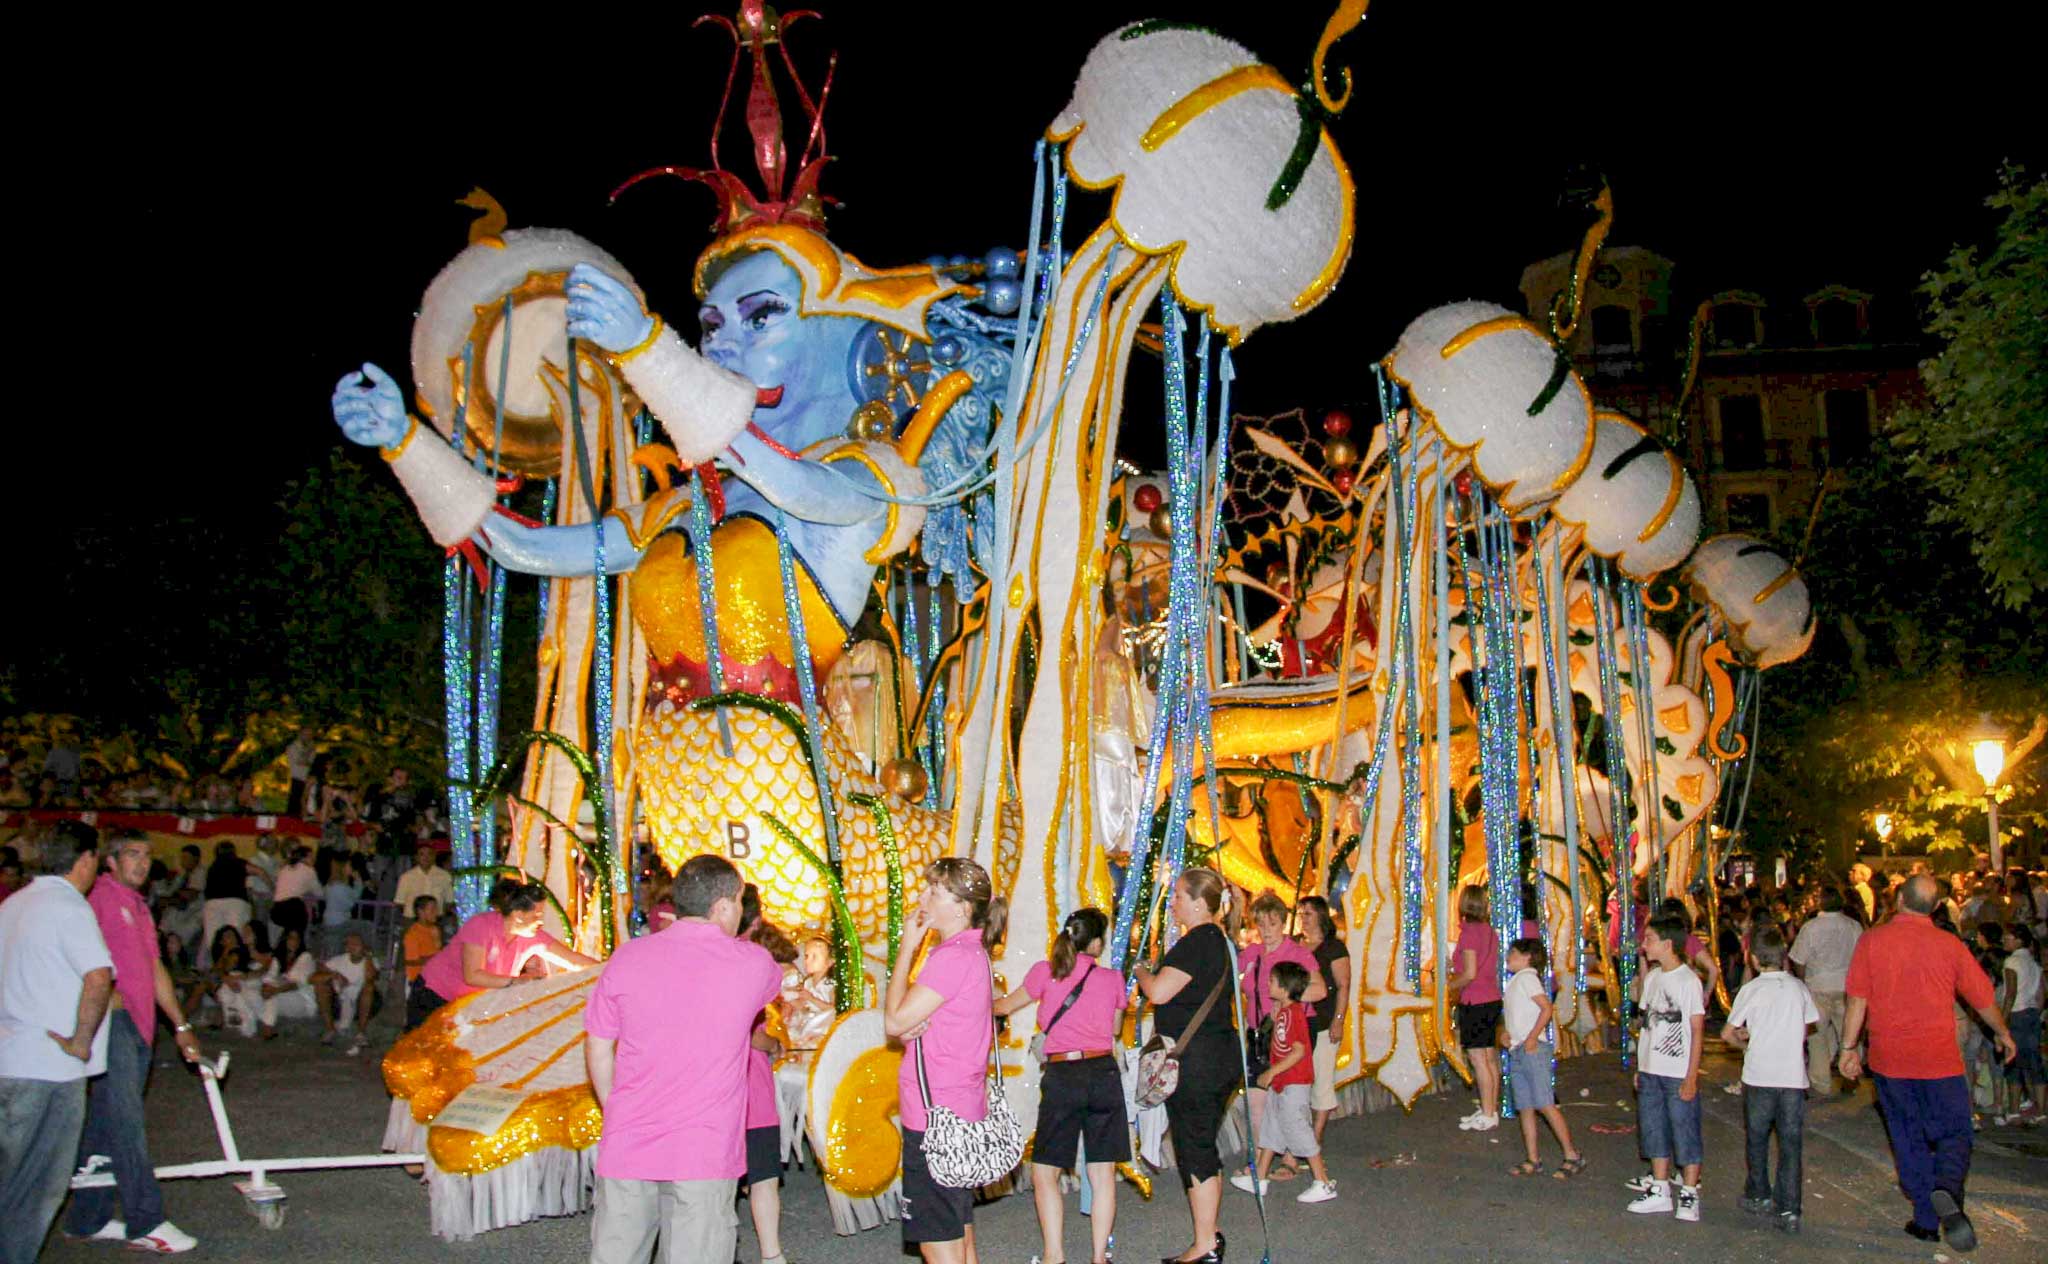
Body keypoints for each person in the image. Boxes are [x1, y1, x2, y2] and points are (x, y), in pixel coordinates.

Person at [585, 855, 782, 1264]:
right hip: (704, 1147)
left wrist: (616, 1108)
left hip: (628, 1141)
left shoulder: (626, 958)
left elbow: (599, 1048)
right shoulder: (753, 964)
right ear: (724, 906)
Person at [1840, 873, 2017, 1252]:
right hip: (1940, 1060)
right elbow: (1981, 995)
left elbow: (1857, 999)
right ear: (1937, 908)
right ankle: (1946, 1188)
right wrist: (2002, 1033)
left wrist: (1848, 1047)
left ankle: (1925, 1218)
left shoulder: (1872, 941)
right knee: (1956, 1133)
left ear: (1898, 899)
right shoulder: (1949, 944)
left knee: (1907, 1136)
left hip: (1890, 1060)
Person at [62, 832, 206, 1253]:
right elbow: (80, 956)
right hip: (116, 1022)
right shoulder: (102, 897)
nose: (142, 863)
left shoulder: (139, 906)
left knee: (105, 1122)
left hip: (141, 1026)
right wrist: (108, 1000)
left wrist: (181, 1028)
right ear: (111, 861)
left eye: (147, 856)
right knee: (126, 1122)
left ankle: (87, 1217)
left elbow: (155, 966)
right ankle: (147, 1220)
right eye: (132, 854)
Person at [0, 821, 115, 1264]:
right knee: (35, 1190)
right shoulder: (69, 906)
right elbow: (98, 976)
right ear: (85, 858)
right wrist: (81, 1042)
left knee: (9, 1181)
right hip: (49, 1070)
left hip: (10, 1058)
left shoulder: (14, 904)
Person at [884, 857, 1007, 1264]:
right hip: (961, 1108)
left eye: (934, 892)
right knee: (959, 1232)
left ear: (961, 906)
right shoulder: (974, 953)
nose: (923, 898)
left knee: (939, 1242)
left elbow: (894, 1019)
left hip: (934, 1113)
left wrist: (906, 947)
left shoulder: (950, 958)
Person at [995, 907, 1129, 1264]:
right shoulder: (1113, 979)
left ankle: (1054, 1256)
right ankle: (1099, 1257)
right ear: (1097, 943)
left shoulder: (1045, 972)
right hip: (1103, 1073)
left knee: (1045, 1173)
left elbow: (1005, 1006)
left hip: (1063, 1075)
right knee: (1102, 1173)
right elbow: (1115, 1030)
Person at [1133, 867, 1238, 1264]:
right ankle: (1208, 1233)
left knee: (1195, 1149)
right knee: (1201, 1146)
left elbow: (1159, 992)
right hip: (1213, 1056)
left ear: (1198, 903)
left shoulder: (1197, 943)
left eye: (1177, 895)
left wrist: (1142, 970)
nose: (1172, 902)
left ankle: (1205, 1244)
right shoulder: (1219, 942)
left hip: (1196, 1062)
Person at [1724, 926, 1819, 1235]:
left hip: (1759, 1075)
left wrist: (1747, 1042)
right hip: (1792, 1078)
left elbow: (1728, 1033)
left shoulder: (1750, 990)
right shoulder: (1798, 988)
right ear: (1784, 956)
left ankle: (1759, 1193)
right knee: (1791, 1144)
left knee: (1757, 1138)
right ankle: (1790, 1208)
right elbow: (1807, 1026)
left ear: (1752, 959)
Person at [1232, 960, 1338, 1205]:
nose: (1267, 984)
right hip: (1282, 1082)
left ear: (1284, 987)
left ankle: (1322, 1180)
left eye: (1272, 981)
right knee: (1271, 1126)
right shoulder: (1283, 1013)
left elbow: (1298, 1051)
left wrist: (1272, 1072)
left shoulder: (1295, 1014)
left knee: (1297, 1127)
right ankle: (1260, 1175)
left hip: (1294, 1082)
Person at [1235, 893, 1326, 1176]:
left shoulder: (1299, 954)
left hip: (1290, 1032)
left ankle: (1290, 1158)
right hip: (1259, 1034)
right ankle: (1261, 1161)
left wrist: (1287, 1000)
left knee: (1288, 1099)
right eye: (1261, 924)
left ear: (1283, 924)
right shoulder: (1252, 954)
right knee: (1257, 1099)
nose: (1266, 930)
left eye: (1272, 924)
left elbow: (1320, 990)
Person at [414, 880, 598, 1018]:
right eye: (537, 915)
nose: (540, 921)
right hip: (436, 995)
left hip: (470, 1005)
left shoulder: (533, 936)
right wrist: (517, 982)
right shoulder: (481, 926)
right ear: (518, 915)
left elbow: (573, 960)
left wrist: (607, 969)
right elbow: (473, 975)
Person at [1627, 915, 1706, 1222]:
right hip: (1651, 1069)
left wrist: (1691, 1075)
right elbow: (1646, 1025)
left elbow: (1697, 1031)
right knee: (1653, 1127)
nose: (1644, 945)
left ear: (1668, 944)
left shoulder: (1688, 981)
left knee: (1684, 1128)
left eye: (1649, 939)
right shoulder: (1653, 978)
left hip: (1676, 1070)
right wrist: (1640, 1064)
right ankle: (1660, 1188)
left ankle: (1688, 1192)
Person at [1500, 937, 1584, 1182]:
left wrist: (1533, 1037)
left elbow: (1546, 1008)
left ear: (1527, 957)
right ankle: (1533, 1158)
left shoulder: (1527, 978)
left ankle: (1572, 1154)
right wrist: (1508, 1034)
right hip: (1519, 1047)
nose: (1508, 957)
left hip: (1531, 1050)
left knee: (1544, 1103)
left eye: (1513, 953)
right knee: (1526, 1106)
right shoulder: (1517, 981)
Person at [736, 886, 790, 1264]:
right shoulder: (753, 961)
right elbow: (754, 1033)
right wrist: (774, 1045)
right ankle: (772, 1255)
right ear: (755, 921)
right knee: (763, 1178)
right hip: (750, 1087)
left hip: (710, 1089)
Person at [1787, 886, 1861, 1099]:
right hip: (1847, 987)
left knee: (1817, 1037)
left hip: (1818, 986)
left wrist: (1802, 981)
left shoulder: (1811, 927)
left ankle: (1821, 1081)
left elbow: (1799, 959)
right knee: (1849, 1035)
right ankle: (1851, 1076)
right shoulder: (1853, 926)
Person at [1447, 884, 1505, 1131]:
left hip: (1475, 999)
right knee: (1489, 1057)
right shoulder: (1489, 931)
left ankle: (1489, 1111)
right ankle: (1489, 1108)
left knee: (1478, 1058)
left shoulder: (1469, 932)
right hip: (1491, 997)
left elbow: (1469, 973)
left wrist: (1449, 986)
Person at [1295, 896, 1350, 1144]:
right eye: (1301, 914)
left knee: (1322, 1080)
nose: (1303, 919)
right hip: (1299, 1021)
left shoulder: (1334, 948)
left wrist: (1339, 1020)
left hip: (1324, 1020)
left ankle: (1314, 1139)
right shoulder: (1297, 946)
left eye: (1308, 914)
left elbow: (1343, 985)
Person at [1999, 924, 2043, 1122]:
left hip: (2017, 1014)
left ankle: (2014, 1109)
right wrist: (2035, 1012)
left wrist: (2001, 1021)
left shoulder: (2012, 961)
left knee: (2013, 1062)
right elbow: (2042, 994)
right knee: (2035, 1063)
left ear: (2017, 940)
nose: (2003, 940)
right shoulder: (2034, 963)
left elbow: (2010, 993)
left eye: (2007, 937)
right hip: (2032, 1014)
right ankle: (2041, 1111)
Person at [312, 930, 379, 1056]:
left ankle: (361, 1033)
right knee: (321, 986)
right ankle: (330, 1029)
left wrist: (368, 956)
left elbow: (371, 977)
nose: (353, 947)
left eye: (357, 944)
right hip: (340, 1002)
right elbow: (312, 978)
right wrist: (334, 975)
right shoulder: (338, 961)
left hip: (363, 1003)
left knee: (369, 987)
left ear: (363, 946)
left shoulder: (371, 961)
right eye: (350, 944)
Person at [250, 927, 318, 1039]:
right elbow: (269, 977)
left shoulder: (305, 957)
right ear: (285, 939)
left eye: (297, 939)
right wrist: (265, 989)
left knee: (273, 996)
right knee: (256, 993)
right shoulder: (278, 958)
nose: (294, 942)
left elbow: (295, 983)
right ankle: (257, 1025)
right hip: (283, 997)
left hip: (302, 1000)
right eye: (291, 938)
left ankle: (268, 1030)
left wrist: (274, 990)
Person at [198, 841, 254, 970]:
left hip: (212, 903)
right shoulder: (238, 862)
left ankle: (218, 969)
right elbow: (259, 871)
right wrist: (272, 888)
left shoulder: (212, 866)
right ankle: (236, 967)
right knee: (236, 937)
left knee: (214, 940)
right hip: (235, 902)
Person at [193, 926, 254, 1032]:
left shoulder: (240, 951)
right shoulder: (223, 953)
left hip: (236, 979)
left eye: (231, 935)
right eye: (226, 937)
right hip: (221, 980)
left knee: (206, 984)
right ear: (221, 941)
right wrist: (225, 952)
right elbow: (216, 970)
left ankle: (221, 1020)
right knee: (201, 985)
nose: (230, 938)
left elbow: (227, 969)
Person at [402, 895, 444, 1032]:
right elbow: (412, 960)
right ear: (420, 911)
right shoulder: (413, 934)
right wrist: (437, 957)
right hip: (419, 983)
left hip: (434, 981)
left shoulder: (434, 930)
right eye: (431, 909)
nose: (435, 913)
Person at [395, 843, 455, 926]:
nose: (426, 857)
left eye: (429, 854)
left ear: (434, 856)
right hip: (411, 921)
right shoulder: (406, 877)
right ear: (416, 857)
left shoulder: (444, 876)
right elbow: (400, 902)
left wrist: (437, 915)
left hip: (436, 921)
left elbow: (449, 901)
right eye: (422, 854)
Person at [270, 845, 319, 940]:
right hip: (294, 909)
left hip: (277, 910)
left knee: (287, 936)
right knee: (297, 938)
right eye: (311, 857)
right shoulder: (308, 870)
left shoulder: (284, 868)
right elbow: (319, 893)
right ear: (303, 858)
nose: (313, 860)